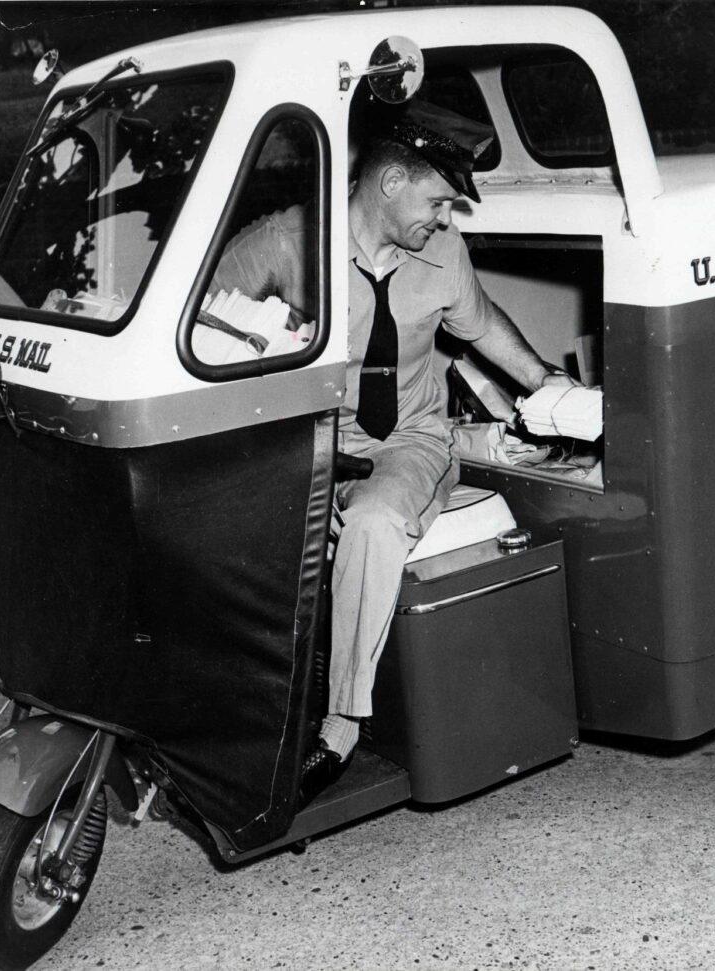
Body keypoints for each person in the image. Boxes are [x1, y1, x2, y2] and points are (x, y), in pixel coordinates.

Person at [207, 99, 577, 806]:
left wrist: (547, 385)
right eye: (438, 200)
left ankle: (340, 728)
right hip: (308, 439)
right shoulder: (289, 244)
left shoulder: (443, 254)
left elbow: (481, 323)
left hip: (409, 439)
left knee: (375, 522)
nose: (446, 218)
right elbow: (199, 321)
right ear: (390, 183)